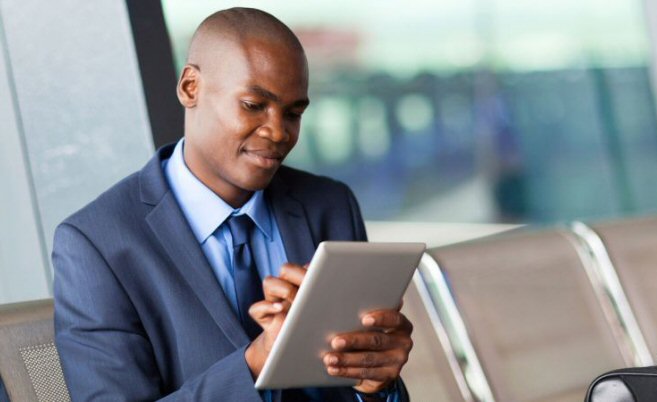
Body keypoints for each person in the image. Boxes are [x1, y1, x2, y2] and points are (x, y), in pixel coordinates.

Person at [52, 8, 412, 402]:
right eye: (254, 105)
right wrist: (254, 363)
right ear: (191, 87)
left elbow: (358, 383)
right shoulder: (95, 244)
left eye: (294, 113)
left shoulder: (329, 205)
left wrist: (377, 386)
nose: (278, 131)